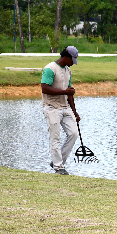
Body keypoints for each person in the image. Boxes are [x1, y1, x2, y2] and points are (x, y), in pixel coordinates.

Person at [41, 46, 80, 175]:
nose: (73, 64)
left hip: (65, 107)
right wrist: (65, 91)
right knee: (55, 137)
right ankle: (58, 167)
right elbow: (45, 88)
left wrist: (74, 112)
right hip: (51, 107)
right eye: (72, 60)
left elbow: (69, 94)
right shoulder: (50, 69)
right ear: (66, 57)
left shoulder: (68, 70)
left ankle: (57, 160)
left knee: (74, 133)